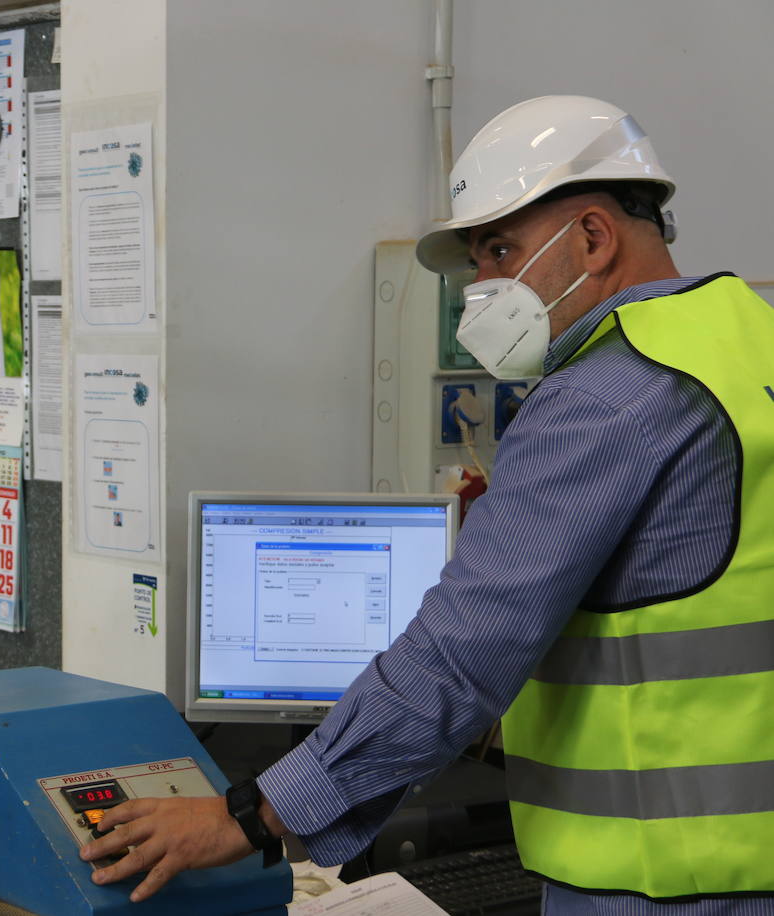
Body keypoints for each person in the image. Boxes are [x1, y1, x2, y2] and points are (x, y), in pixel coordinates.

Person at [81, 95, 774, 912]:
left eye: (500, 251)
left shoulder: (602, 401)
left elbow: (460, 654)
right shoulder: (745, 338)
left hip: (668, 877)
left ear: (593, 237)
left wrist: (251, 817)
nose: (481, 289)